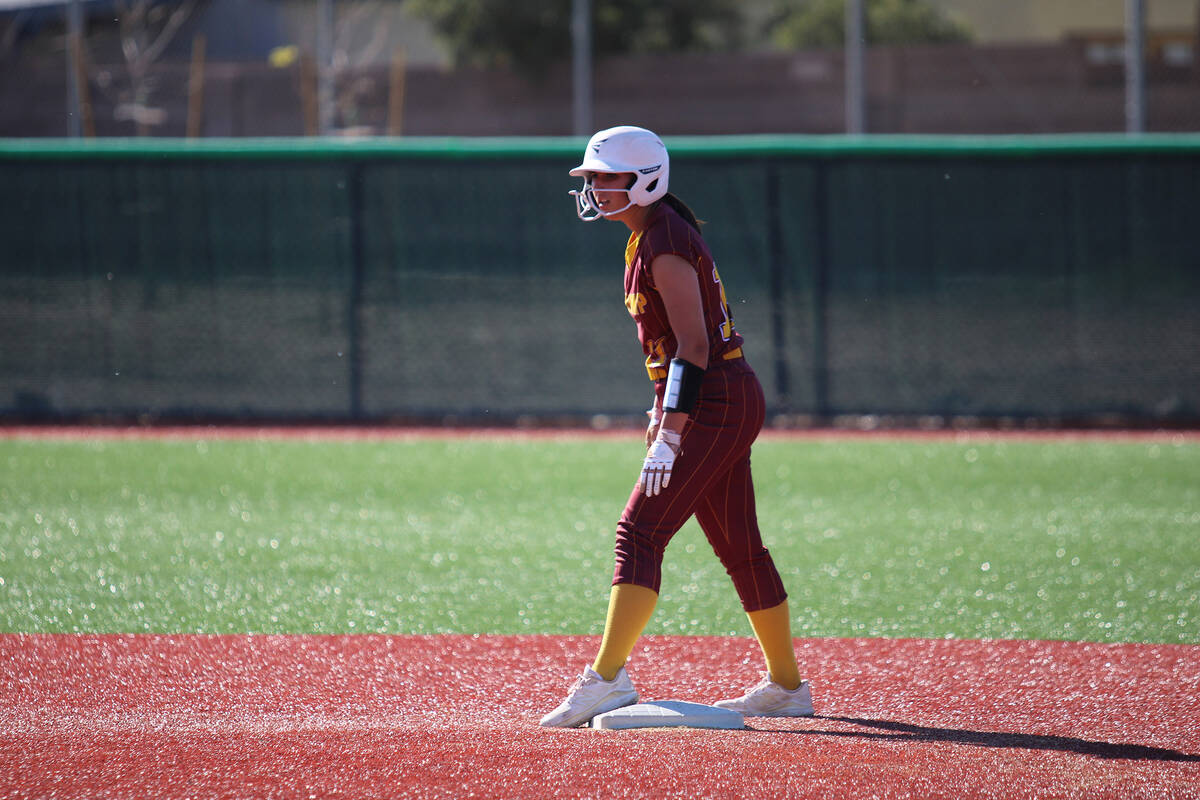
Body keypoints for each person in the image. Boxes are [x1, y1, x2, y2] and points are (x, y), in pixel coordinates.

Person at [540, 126, 814, 728]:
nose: (593, 187)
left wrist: (672, 428)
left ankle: (607, 679)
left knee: (638, 533)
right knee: (739, 547)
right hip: (719, 398)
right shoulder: (650, 234)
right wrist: (661, 410)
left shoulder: (662, 238)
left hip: (716, 400)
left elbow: (693, 345)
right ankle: (788, 687)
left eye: (605, 176)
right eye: (592, 177)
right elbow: (678, 349)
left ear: (645, 180)